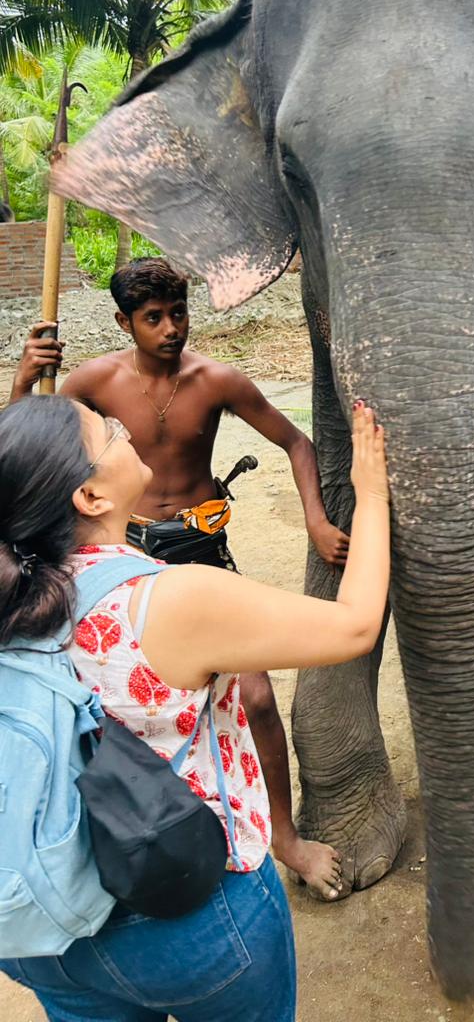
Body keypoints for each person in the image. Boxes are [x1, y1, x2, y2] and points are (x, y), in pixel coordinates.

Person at [0, 395, 389, 1021]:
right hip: (185, 919)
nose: (125, 431)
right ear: (92, 498)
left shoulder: (13, 599)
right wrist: (370, 495)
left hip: (42, 929)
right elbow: (354, 626)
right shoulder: (166, 601)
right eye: (109, 432)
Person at [9, 257, 351, 896]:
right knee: (119, 702)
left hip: (201, 549)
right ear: (123, 321)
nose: (170, 329)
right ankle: (134, 824)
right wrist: (24, 384)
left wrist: (315, 518)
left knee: (254, 696)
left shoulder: (215, 379)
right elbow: (31, 448)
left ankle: (284, 836)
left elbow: (297, 442)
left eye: (179, 313)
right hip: (122, 554)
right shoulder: (92, 381)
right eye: (153, 318)